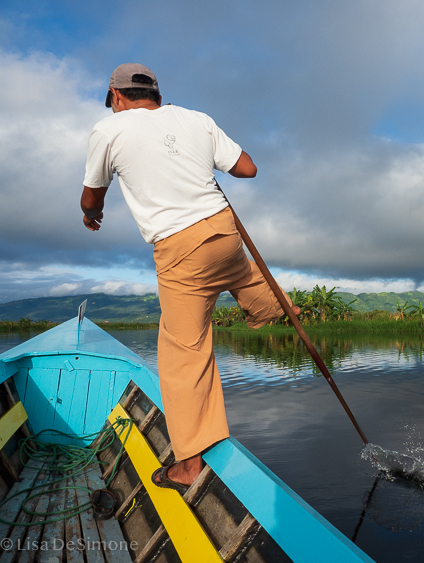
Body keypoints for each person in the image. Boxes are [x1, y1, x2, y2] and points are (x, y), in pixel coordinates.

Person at [81, 63, 298, 493]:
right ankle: (277, 307)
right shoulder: (196, 119)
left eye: (112, 103)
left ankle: (188, 464)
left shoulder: (109, 131)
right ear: (156, 95)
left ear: (117, 97)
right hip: (223, 231)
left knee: (183, 353)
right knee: (239, 270)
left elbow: (92, 193)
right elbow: (248, 169)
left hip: (180, 251)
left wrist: (92, 215)